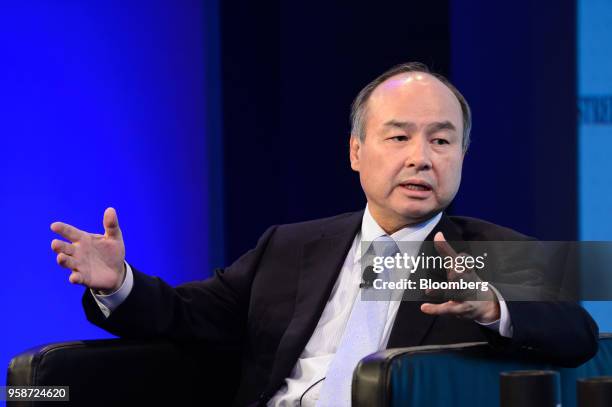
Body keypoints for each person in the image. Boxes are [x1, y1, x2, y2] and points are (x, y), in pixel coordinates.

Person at [50, 62, 598, 406]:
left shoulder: (486, 252)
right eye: (400, 136)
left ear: (462, 156)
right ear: (356, 152)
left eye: (441, 141)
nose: (421, 159)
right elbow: (187, 314)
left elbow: (578, 334)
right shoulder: (290, 247)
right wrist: (118, 281)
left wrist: (491, 306)